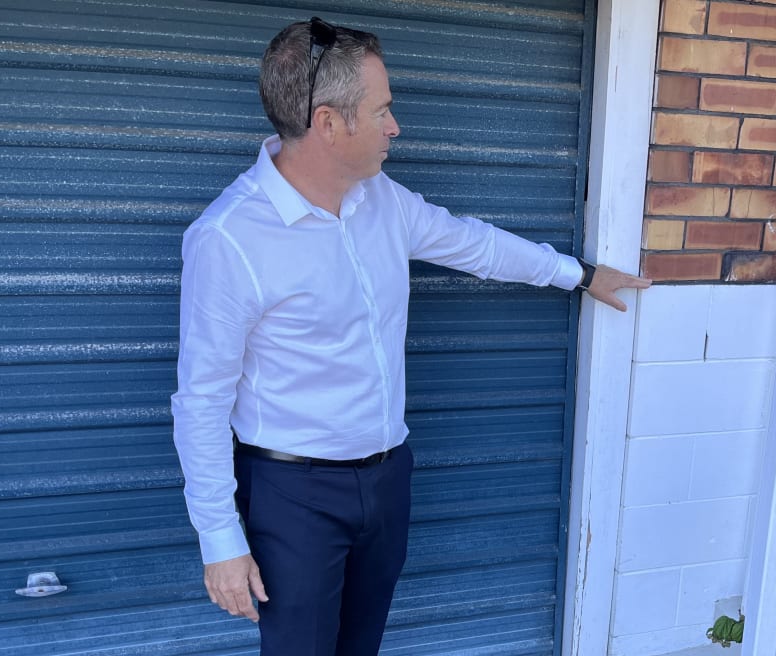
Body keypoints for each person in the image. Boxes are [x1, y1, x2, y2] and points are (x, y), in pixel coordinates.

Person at [170, 16, 651, 656]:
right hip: (294, 499)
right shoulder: (229, 239)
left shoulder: (382, 201)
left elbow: (473, 244)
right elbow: (200, 400)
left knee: (361, 646)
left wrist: (578, 274)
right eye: (383, 111)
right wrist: (220, 540)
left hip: (388, 478)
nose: (395, 127)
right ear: (329, 124)